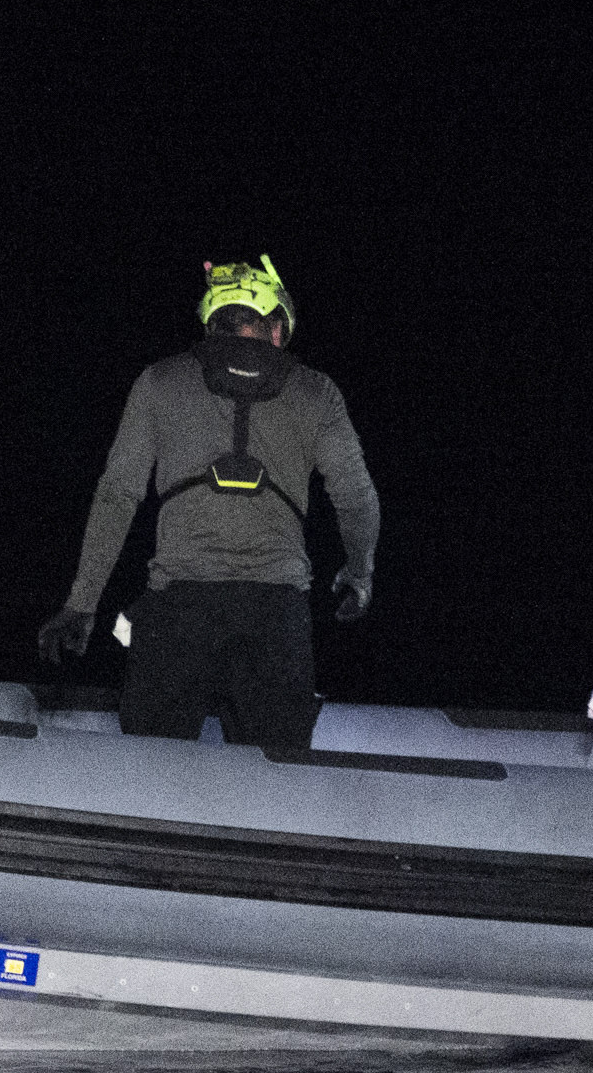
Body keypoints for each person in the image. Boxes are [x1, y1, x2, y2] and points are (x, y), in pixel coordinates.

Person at [38, 255, 379, 748]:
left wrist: (82, 603)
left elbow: (117, 496)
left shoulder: (158, 381)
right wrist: (359, 573)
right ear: (277, 328)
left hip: (177, 612)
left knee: (152, 774)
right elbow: (358, 499)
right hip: (276, 615)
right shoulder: (316, 392)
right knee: (276, 783)